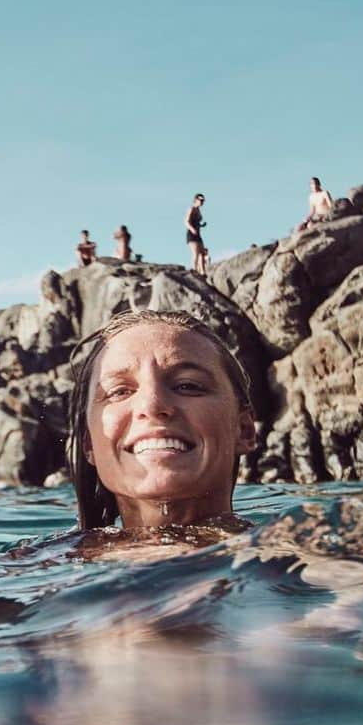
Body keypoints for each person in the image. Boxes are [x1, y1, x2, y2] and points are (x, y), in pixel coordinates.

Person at [68, 309, 257, 535]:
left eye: (187, 385)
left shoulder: (298, 555)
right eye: (119, 391)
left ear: (244, 430)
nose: (152, 406)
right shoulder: (35, 563)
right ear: (89, 444)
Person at [184, 194, 207, 276]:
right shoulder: (191, 209)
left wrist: (201, 225)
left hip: (198, 234)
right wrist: (192, 229)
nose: (202, 202)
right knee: (196, 253)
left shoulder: (198, 210)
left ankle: (203, 272)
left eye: (203, 200)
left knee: (203, 253)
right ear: (196, 200)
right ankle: (195, 270)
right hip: (191, 234)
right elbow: (186, 221)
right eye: (200, 200)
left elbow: (196, 222)